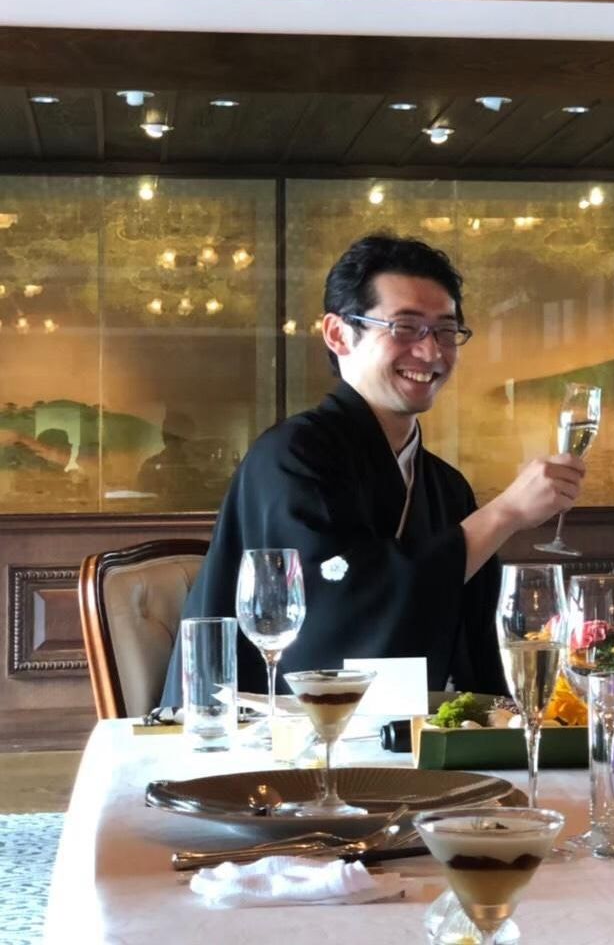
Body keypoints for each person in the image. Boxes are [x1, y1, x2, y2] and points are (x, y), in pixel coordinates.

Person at [161, 233, 584, 705]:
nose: (431, 352)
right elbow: (337, 614)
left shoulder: (444, 486)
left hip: (417, 733)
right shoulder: (290, 458)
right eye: (405, 328)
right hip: (267, 730)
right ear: (338, 334)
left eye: (446, 332)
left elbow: (478, 637)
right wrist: (505, 514)